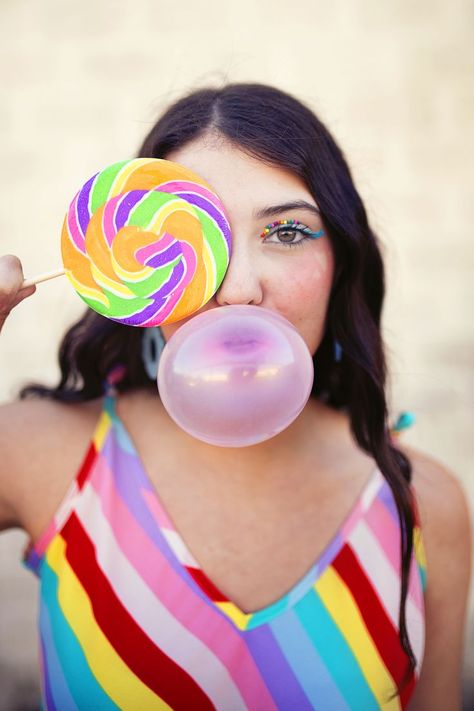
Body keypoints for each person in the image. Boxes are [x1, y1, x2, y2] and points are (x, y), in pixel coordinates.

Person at [0, 83, 471, 711]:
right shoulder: (40, 452)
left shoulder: (425, 505)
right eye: (198, 236)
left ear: (342, 258)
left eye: (286, 231)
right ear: (128, 268)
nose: (240, 288)